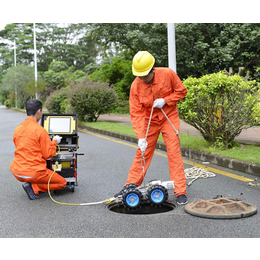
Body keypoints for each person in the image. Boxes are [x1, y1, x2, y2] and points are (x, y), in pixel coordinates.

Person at [117, 51, 188, 205]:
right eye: (139, 76)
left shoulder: (168, 74)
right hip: (150, 121)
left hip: (168, 117)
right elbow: (136, 113)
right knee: (142, 153)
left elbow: (182, 91)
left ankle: (180, 191)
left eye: (145, 75)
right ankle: (130, 186)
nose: (142, 78)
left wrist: (166, 100)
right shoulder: (135, 86)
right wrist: (141, 137)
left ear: (152, 69)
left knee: (174, 152)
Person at [10, 99, 67, 200]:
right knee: (62, 183)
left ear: (26, 112)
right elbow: (47, 154)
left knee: (35, 172)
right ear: (39, 112)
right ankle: (34, 186)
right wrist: (54, 142)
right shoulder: (40, 130)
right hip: (34, 172)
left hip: (17, 171)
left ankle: (32, 183)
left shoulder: (17, 129)